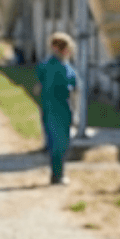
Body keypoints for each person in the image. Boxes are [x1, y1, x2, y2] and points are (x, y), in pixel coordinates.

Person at [37, 31, 78, 185]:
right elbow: (71, 86)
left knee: (56, 141)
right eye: (66, 49)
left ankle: (57, 173)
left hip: (51, 108)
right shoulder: (59, 67)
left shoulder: (50, 65)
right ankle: (57, 175)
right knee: (60, 143)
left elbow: (38, 86)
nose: (68, 52)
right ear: (57, 48)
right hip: (59, 108)